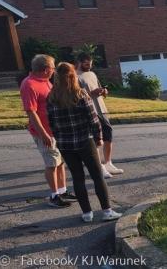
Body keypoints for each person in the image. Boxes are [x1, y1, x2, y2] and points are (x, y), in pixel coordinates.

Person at [47, 63, 122, 223]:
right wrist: (99, 137)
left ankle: (87, 213)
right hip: (85, 140)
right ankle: (107, 211)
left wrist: (59, 138)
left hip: (65, 143)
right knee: (97, 176)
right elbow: (93, 119)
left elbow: (51, 123)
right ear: (73, 77)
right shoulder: (80, 94)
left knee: (77, 177)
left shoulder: (52, 97)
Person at [20, 54, 75, 208]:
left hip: (55, 130)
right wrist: (43, 134)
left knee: (59, 162)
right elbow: (31, 112)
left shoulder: (45, 82)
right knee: (51, 163)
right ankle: (54, 195)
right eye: (52, 68)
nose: (53, 71)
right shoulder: (29, 84)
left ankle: (62, 191)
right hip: (44, 132)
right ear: (45, 69)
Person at [76, 52, 123, 179]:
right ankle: (99, 166)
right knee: (97, 138)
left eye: (90, 64)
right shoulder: (75, 76)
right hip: (90, 111)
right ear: (79, 62)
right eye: (86, 64)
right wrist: (92, 93)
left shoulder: (92, 74)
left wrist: (103, 91)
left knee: (108, 133)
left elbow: (99, 88)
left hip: (101, 108)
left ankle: (108, 163)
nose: (89, 67)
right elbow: (78, 96)